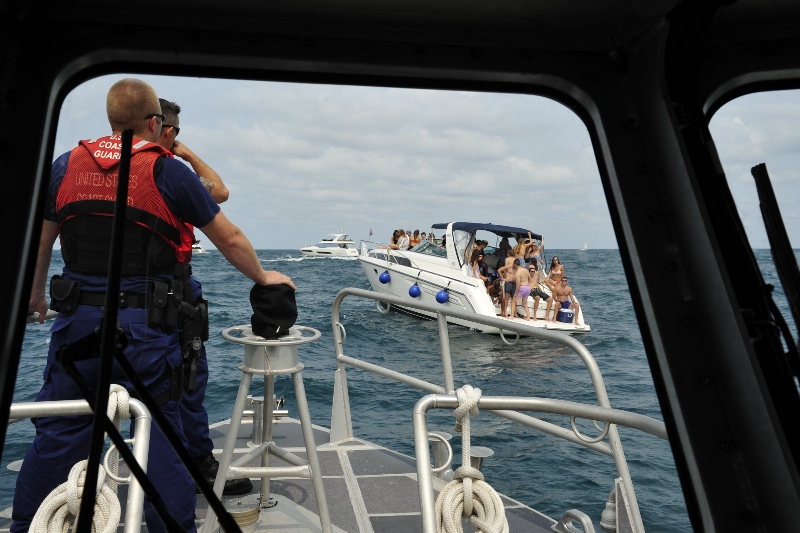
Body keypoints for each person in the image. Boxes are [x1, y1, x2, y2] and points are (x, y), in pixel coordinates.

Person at [16, 78, 296, 533]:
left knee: (59, 434)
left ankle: (29, 525)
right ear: (154, 122)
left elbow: (41, 240)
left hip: (76, 324)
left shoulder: (65, 166)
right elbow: (227, 235)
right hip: (146, 328)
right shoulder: (166, 171)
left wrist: (33, 294)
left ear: (111, 120)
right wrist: (264, 277)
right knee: (163, 439)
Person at [157, 99, 251, 496]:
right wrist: (187, 154)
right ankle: (197, 469)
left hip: (91, 300)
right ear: (169, 131)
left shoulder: (81, 165)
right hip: (167, 296)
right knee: (184, 384)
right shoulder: (172, 172)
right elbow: (223, 195)